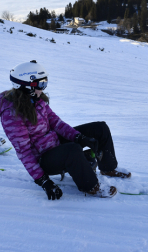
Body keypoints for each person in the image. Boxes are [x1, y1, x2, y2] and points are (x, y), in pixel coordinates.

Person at [0, 60, 130, 200]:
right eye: (41, 83)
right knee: (72, 150)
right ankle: (92, 187)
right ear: (26, 86)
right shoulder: (12, 114)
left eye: (45, 82)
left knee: (100, 128)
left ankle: (108, 168)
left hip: (53, 142)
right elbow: (24, 152)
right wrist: (45, 182)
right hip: (43, 159)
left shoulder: (36, 99)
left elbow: (56, 123)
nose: (43, 87)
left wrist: (79, 137)